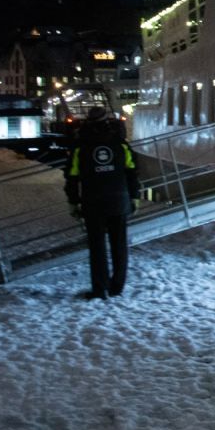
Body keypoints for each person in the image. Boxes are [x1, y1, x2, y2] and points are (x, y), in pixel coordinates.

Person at [63, 106, 140, 300]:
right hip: (118, 199)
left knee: (97, 247)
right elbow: (132, 171)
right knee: (119, 245)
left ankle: (100, 288)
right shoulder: (120, 144)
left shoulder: (81, 147)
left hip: (93, 201)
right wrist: (135, 197)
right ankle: (117, 286)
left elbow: (72, 176)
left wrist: (73, 202)